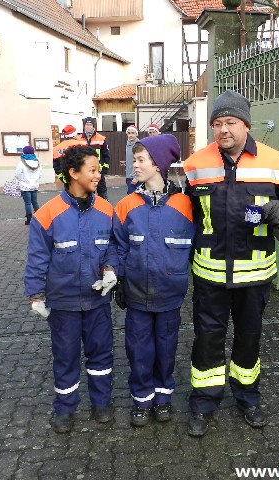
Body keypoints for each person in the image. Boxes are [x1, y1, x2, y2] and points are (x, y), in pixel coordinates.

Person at [182, 90, 279, 437]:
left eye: (230, 122)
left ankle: (248, 398)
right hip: (209, 274)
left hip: (254, 276)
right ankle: (203, 403)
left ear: (245, 125)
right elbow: (185, 217)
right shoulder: (195, 165)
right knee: (207, 341)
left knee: (248, 340)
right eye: (217, 123)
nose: (223, 129)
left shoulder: (275, 162)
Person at [24, 145, 118, 434]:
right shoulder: (47, 214)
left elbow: (112, 247)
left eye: (98, 169)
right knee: (65, 357)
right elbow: (37, 258)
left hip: (97, 302)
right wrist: (36, 295)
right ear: (74, 173)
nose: (98, 175)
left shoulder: (106, 210)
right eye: (93, 170)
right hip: (63, 305)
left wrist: (111, 269)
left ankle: (101, 404)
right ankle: (65, 409)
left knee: (101, 355)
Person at [112, 134, 195, 427]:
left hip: (170, 296)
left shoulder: (186, 205)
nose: (134, 165)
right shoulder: (126, 205)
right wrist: (119, 279)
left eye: (141, 160)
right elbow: (118, 246)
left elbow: (195, 247)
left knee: (166, 348)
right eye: (134, 160)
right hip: (136, 295)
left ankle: (163, 397)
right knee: (138, 349)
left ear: (158, 164)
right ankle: (141, 399)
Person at [82, 117, 111, 200]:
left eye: (90, 125)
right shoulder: (78, 139)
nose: (88, 127)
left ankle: (104, 207)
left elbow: (106, 155)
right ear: (84, 126)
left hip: (98, 171)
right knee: (88, 192)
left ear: (93, 126)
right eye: (87, 125)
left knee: (102, 192)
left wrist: (105, 168)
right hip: (85, 171)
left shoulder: (101, 139)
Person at [15, 145, 42, 225]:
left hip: (25, 186)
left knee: (27, 203)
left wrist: (23, 180)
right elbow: (40, 174)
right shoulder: (37, 162)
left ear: (24, 152)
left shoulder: (21, 163)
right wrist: (35, 180)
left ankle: (29, 219)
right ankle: (40, 217)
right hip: (35, 185)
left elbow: (17, 174)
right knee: (35, 202)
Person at [121, 125, 139, 194]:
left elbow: (141, 162)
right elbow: (133, 159)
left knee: (135, 197)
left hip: (135, 178)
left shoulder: (138, 145)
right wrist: (126, 162)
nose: (130, 135)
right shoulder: (128, 144)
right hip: (128, 176)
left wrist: (137, 177)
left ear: (136, 134)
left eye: (132, 133)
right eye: (129, 133)